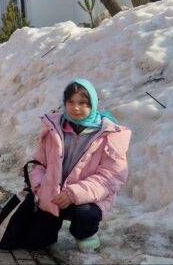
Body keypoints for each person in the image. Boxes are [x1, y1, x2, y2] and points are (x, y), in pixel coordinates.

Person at [24, 79, 131, 252]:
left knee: (85, 214)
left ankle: (85, 233)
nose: (75, 108)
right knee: (34, 243)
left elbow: (111, 177)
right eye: (70, 102)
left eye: (82, 103)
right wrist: (40, 186)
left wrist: (72, 194)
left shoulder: (109, 135)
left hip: (87, 199)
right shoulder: (54, 128)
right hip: (54, 196)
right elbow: (39, 163)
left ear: (93, 104)